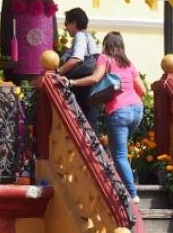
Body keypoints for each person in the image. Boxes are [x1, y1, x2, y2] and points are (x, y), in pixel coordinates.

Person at [61, 31, 146, 203]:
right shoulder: (129, 64)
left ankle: (132, 193)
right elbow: (143, 91)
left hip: (118, 111)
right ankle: (122, 182)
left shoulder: (105, 58)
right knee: (120, 150)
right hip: (137, 110)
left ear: (106, 45)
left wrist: (71, 82)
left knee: (119, 154)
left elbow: (95, 78)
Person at [56, 7, 100, 125]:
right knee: (90, 124)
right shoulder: (88, 36)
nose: (66, 27)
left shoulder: (80, 36)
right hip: (90, 87)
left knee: (81, 124)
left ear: (74, 23)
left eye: (67, 23)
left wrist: (57, 72)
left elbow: (77, 59)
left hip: (82, 88)